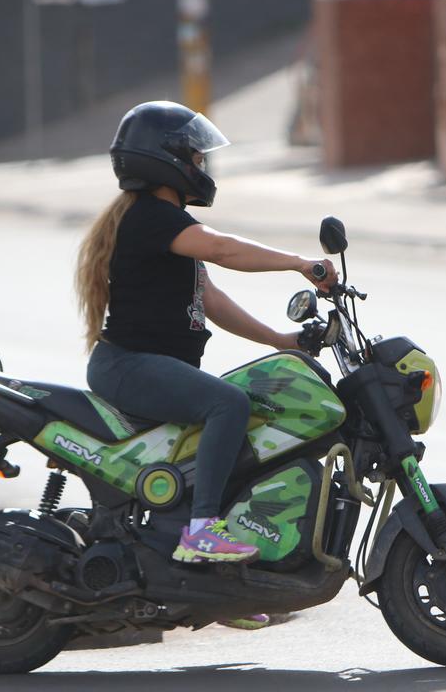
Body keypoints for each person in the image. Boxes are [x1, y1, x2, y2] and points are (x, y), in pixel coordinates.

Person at [75, 100, 337, 564]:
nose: (202, 165)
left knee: (243, 410)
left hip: (142, 366)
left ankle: (214, 583)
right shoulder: (152, 219)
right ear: (166, 160)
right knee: (228, 403)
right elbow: (223, 249)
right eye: (196, 156)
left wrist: (282, 342)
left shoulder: (161, 225)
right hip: (127, 366)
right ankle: (201, 534)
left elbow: (209, 300)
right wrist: (300, 263)